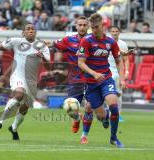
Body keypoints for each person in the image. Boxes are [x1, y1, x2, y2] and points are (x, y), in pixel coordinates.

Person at [0, 23, 50, 140]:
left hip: (31, 81)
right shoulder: (16, 41)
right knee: (19, 94)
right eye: (28, 29)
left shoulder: (41, 45)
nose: (31, 31)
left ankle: (14, 128)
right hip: (17, 76)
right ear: (23, 32)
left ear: (36, 32)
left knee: (24, 109)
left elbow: (49, 66)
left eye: (33, 29)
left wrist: (43, 58)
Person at [78, 13, 125, 148]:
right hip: (91, 83)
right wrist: (94, 73)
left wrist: (122, 78)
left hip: (106, 79)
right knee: (100, 115)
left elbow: (119, 62)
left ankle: (113, 138)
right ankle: (104, 119)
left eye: (96, 27)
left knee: (114, 108)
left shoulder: (111, 42)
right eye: (92, 27)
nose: (94, 30)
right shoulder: (86, 41)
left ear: (102, 26)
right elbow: (80, 63)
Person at [53, 16, 93, 144]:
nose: (82, 27)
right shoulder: (68, 40)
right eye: (80, 25)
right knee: (70, 108)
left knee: (89, 107)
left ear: (88, 26)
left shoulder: (94, 40)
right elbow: (54, 45)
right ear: (76, 26)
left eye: (84, 25)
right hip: (74, 80)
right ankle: (76, 118)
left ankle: (84, 136)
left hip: (90, 79)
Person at [109, 26, 130, 122]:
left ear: (119, 33)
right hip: (107, 71)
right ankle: (110, 114)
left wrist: (126, 72)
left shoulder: (123, 44)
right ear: (110, 32)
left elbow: (126, 60)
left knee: (118, 94)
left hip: (118, 71)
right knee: (108, 93)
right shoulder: (106, 43)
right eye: (113, 31)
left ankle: (118, 115)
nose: (114, 33)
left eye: (116, 31)